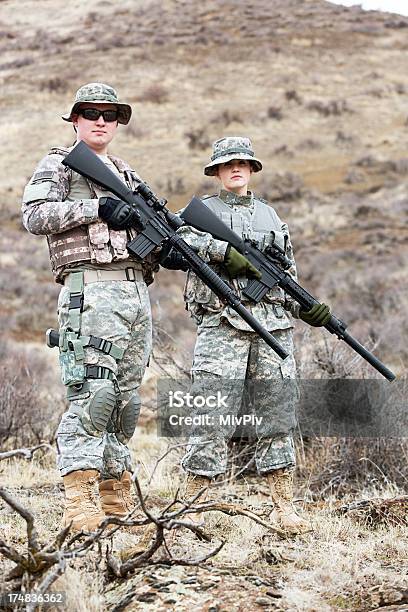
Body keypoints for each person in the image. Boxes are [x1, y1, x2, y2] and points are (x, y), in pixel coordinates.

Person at [21, 83, 158, 532]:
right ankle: (79, 502)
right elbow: (35, 215)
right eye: (91, 112)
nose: (102, 121)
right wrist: (96, 207)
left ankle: (115, 498)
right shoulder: (59, 163)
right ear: (75, 119)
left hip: (136, 293)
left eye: (111, 114)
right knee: (93, 394)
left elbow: (150, 233)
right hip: (91, 290)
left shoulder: (128, 174)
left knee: (126, 402)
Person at [178, 136, 331, 533]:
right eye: (227, 164)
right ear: (215, 171)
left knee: (277, 416)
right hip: (222, 324)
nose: (235, 169)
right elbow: (172, 240)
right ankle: (196, 505)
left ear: (252, 168)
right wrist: (221, 252)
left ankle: (282, 505)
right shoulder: (201, 213)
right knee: (210, 414)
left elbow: (288, 278)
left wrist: (309, 308)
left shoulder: (270, 215)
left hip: (273, 329)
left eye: (242, 163)